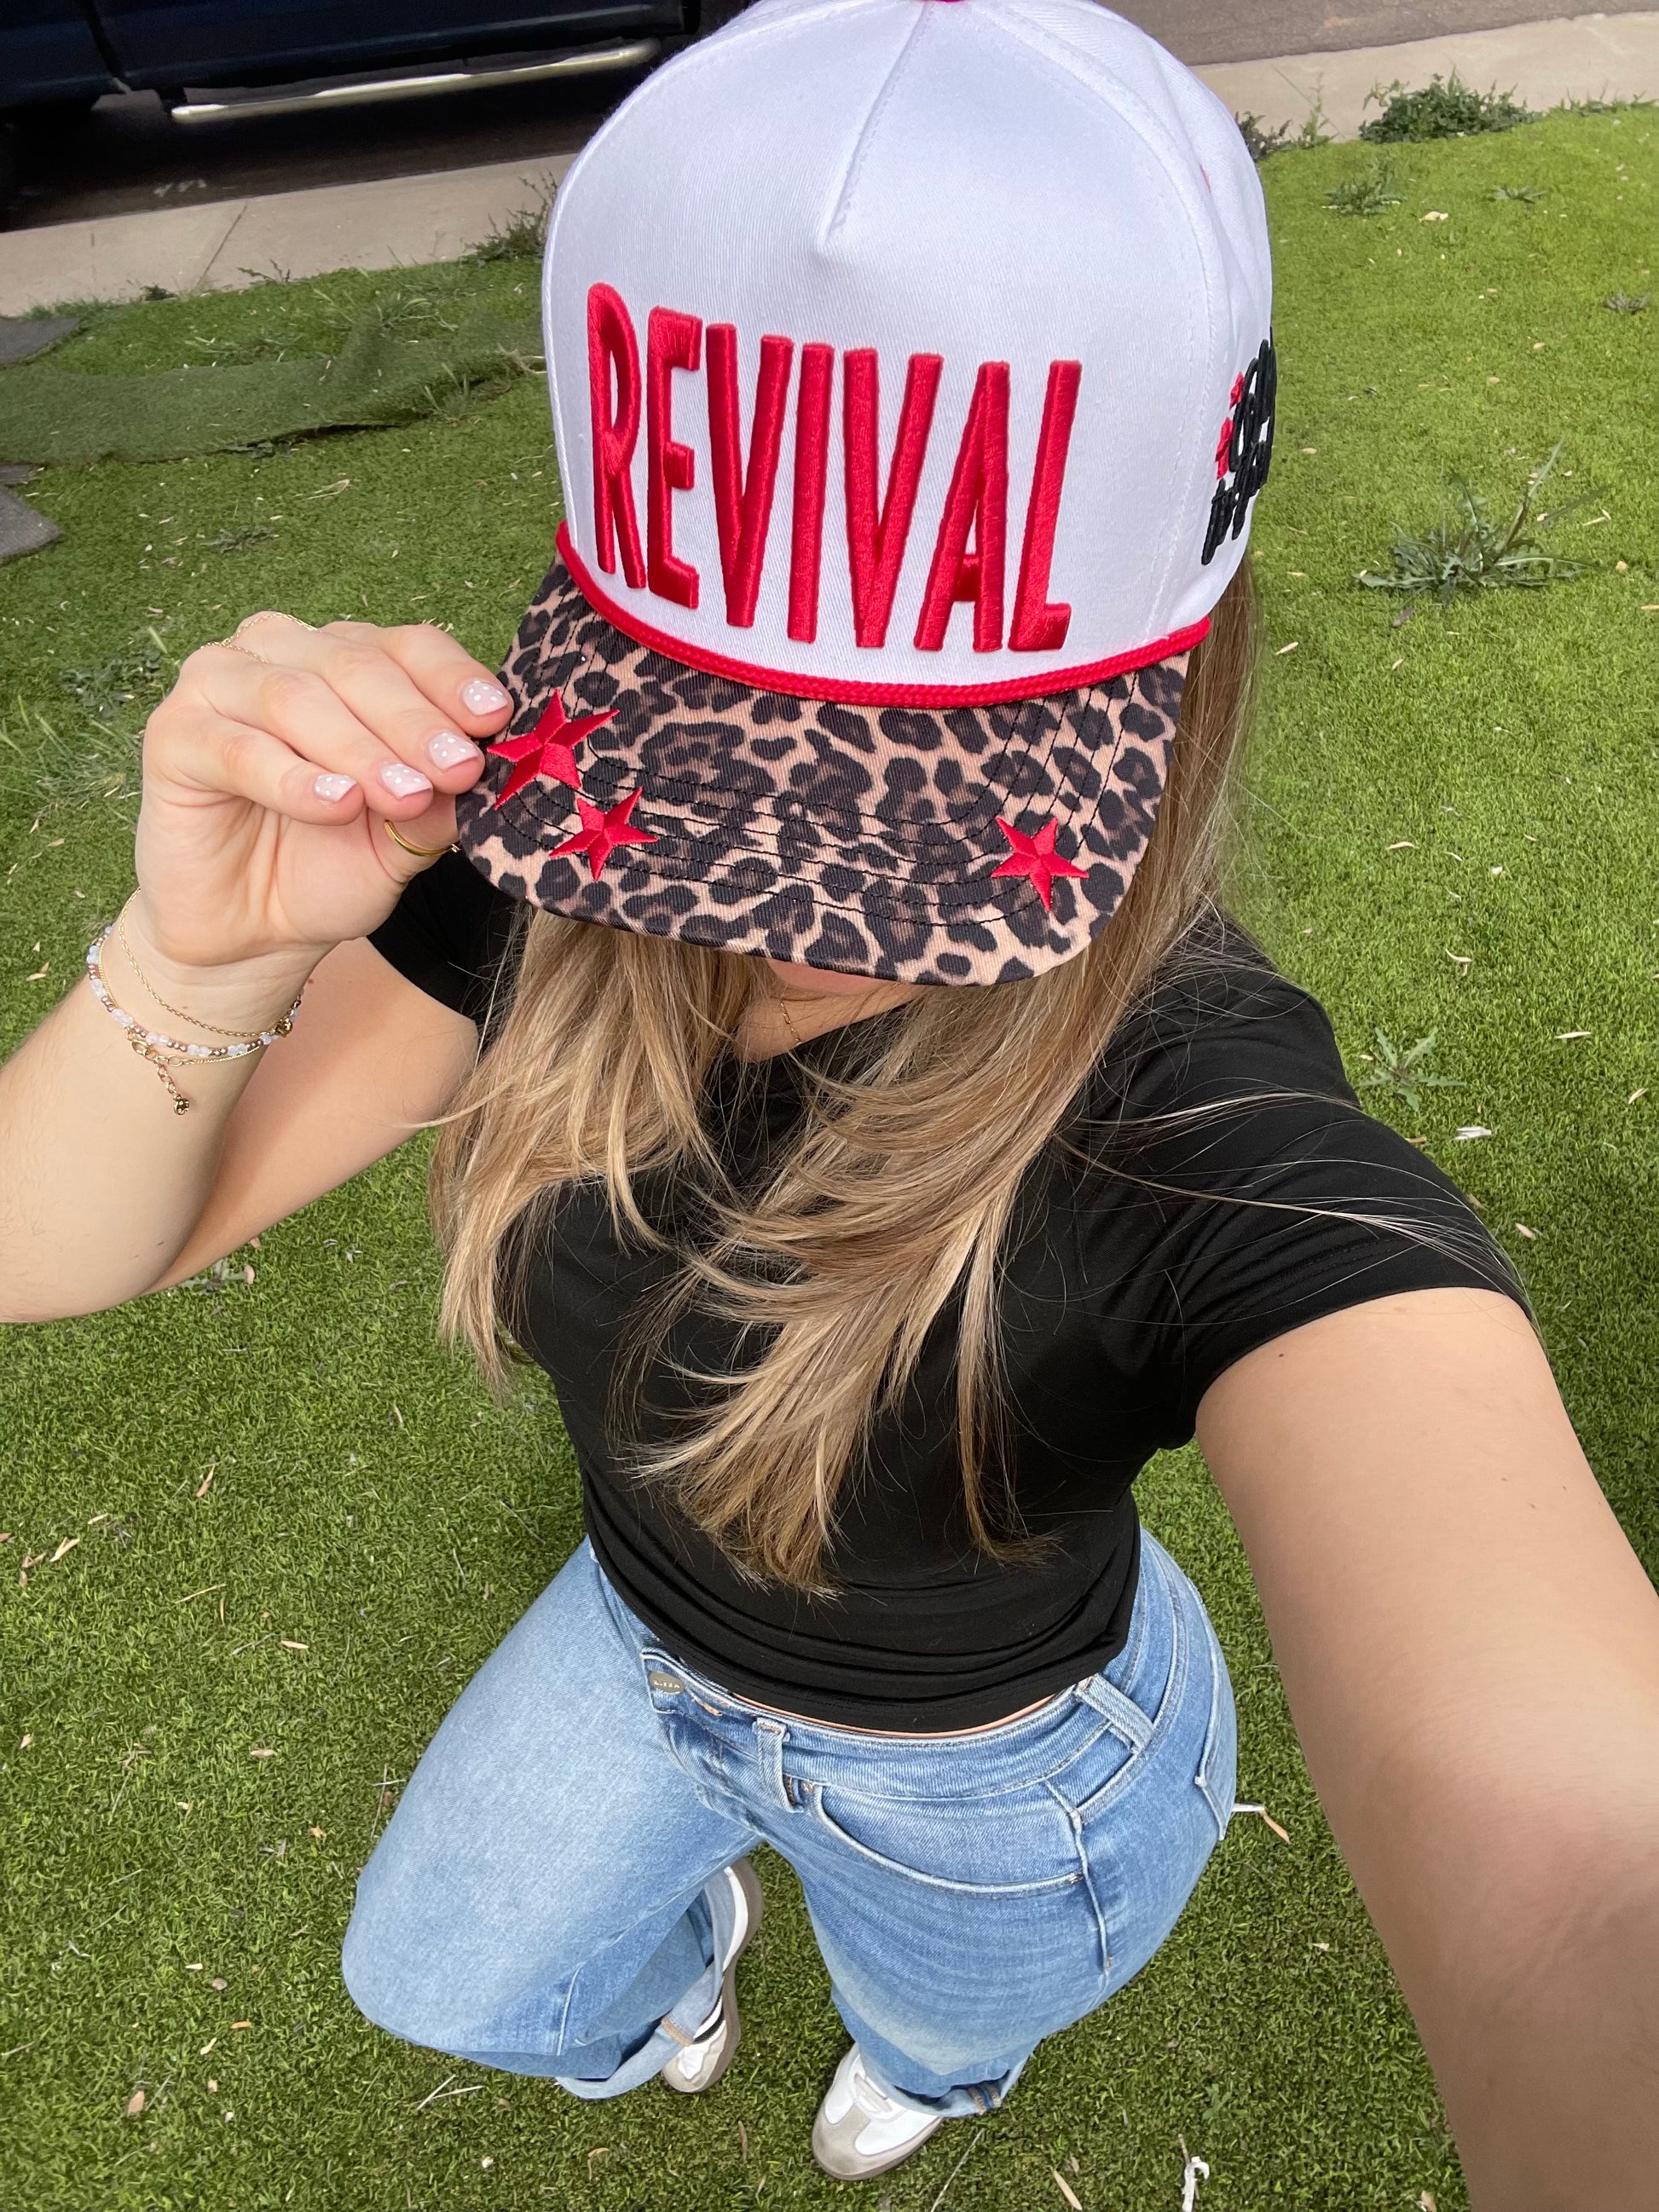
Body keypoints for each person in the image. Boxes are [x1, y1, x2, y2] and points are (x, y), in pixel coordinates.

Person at [3, 0, 1656, 2199]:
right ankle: (709, 1971)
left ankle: (940, 2069)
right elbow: (46, 1246)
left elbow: (1580, 1871)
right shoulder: (546, 890)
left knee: (944, 2024)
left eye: (938, 772)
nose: (786, 888)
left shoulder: (1203, 1126)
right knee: (442, 1980)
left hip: (997, 1767)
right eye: (714, 742)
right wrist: (202, 953)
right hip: (635, 1635)